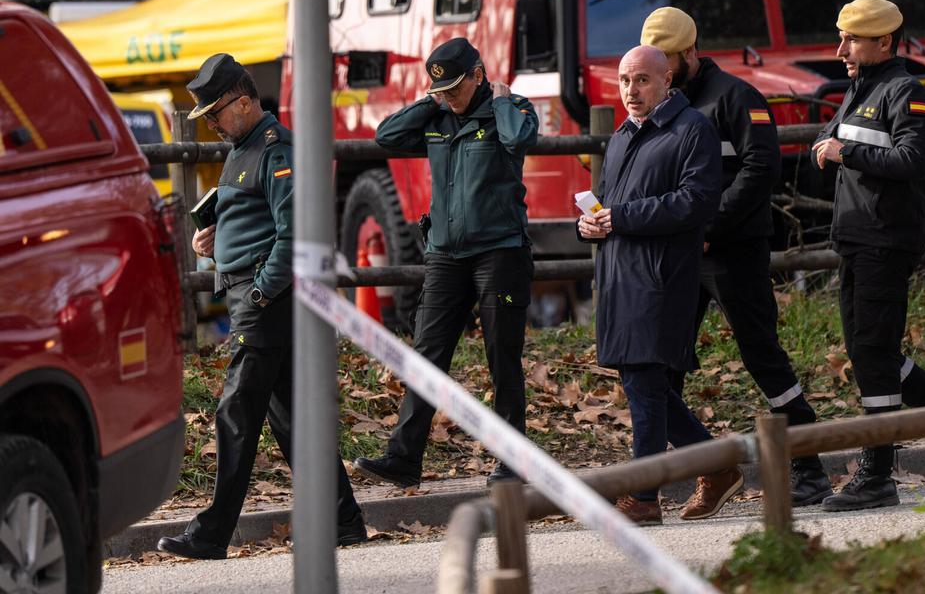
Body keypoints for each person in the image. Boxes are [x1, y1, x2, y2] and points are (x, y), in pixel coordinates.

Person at [158, 53, 367, 560]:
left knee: (236, 413)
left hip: (263, 301)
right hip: (254, 295)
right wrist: (216, 242)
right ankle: (343, 519)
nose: (209, 123)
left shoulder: (275, 149)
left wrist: (259, 291)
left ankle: (211, 535)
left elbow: (294, 233)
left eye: (215, 113)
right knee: (292, 419)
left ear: (245, 102)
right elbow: (257, 221)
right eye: (204, 116)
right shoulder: (242, 146)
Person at [811, 0, 925, 512]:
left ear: (884, 42)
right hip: (856, 239)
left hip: (885, 240)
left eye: (851, 40)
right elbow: (840, 142)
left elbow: (911, 160)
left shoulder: (906, 91)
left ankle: (877, 475)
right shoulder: (860, 88)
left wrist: (844, 150)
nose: (840, 49)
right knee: (869, 352)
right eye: (841, 37)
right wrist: (828, 143)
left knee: (873, 352)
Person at [640, 6, 833, 506]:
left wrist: (711, 225)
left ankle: (808, 468)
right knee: (663, 363)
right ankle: (696, 474)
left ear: (689, 52)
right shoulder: (663, 104)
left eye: (666, 63)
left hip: (733, 252)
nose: (659, 74)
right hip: (680, 253)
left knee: (763, 357)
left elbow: (761, 168)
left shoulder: (736, 97)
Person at [354, 37, 538, 488]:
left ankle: (512, 460)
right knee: (426, 355)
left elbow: (521, 138)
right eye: (443, 91)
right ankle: (403, 458)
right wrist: (431, 100)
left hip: (500, 251)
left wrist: (499, 102)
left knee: (502, 356)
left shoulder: (509, 109)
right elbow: (386, 136)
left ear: (479, 75)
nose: (450, 99)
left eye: (457, 88)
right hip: (445, 254)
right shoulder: (437, 114)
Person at [579, 44, 739, 525]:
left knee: (646, 382)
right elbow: (609, 202)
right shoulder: (625, 134)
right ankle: (717, 466)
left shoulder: (693, 130)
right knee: (643, 383)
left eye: (643, 80)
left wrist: (620, 217)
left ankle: (643, 495)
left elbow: (696, 202)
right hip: (618, 274)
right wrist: (589, 224)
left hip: (661, 276)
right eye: (625, 81)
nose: (631, 91)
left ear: (667, 79)